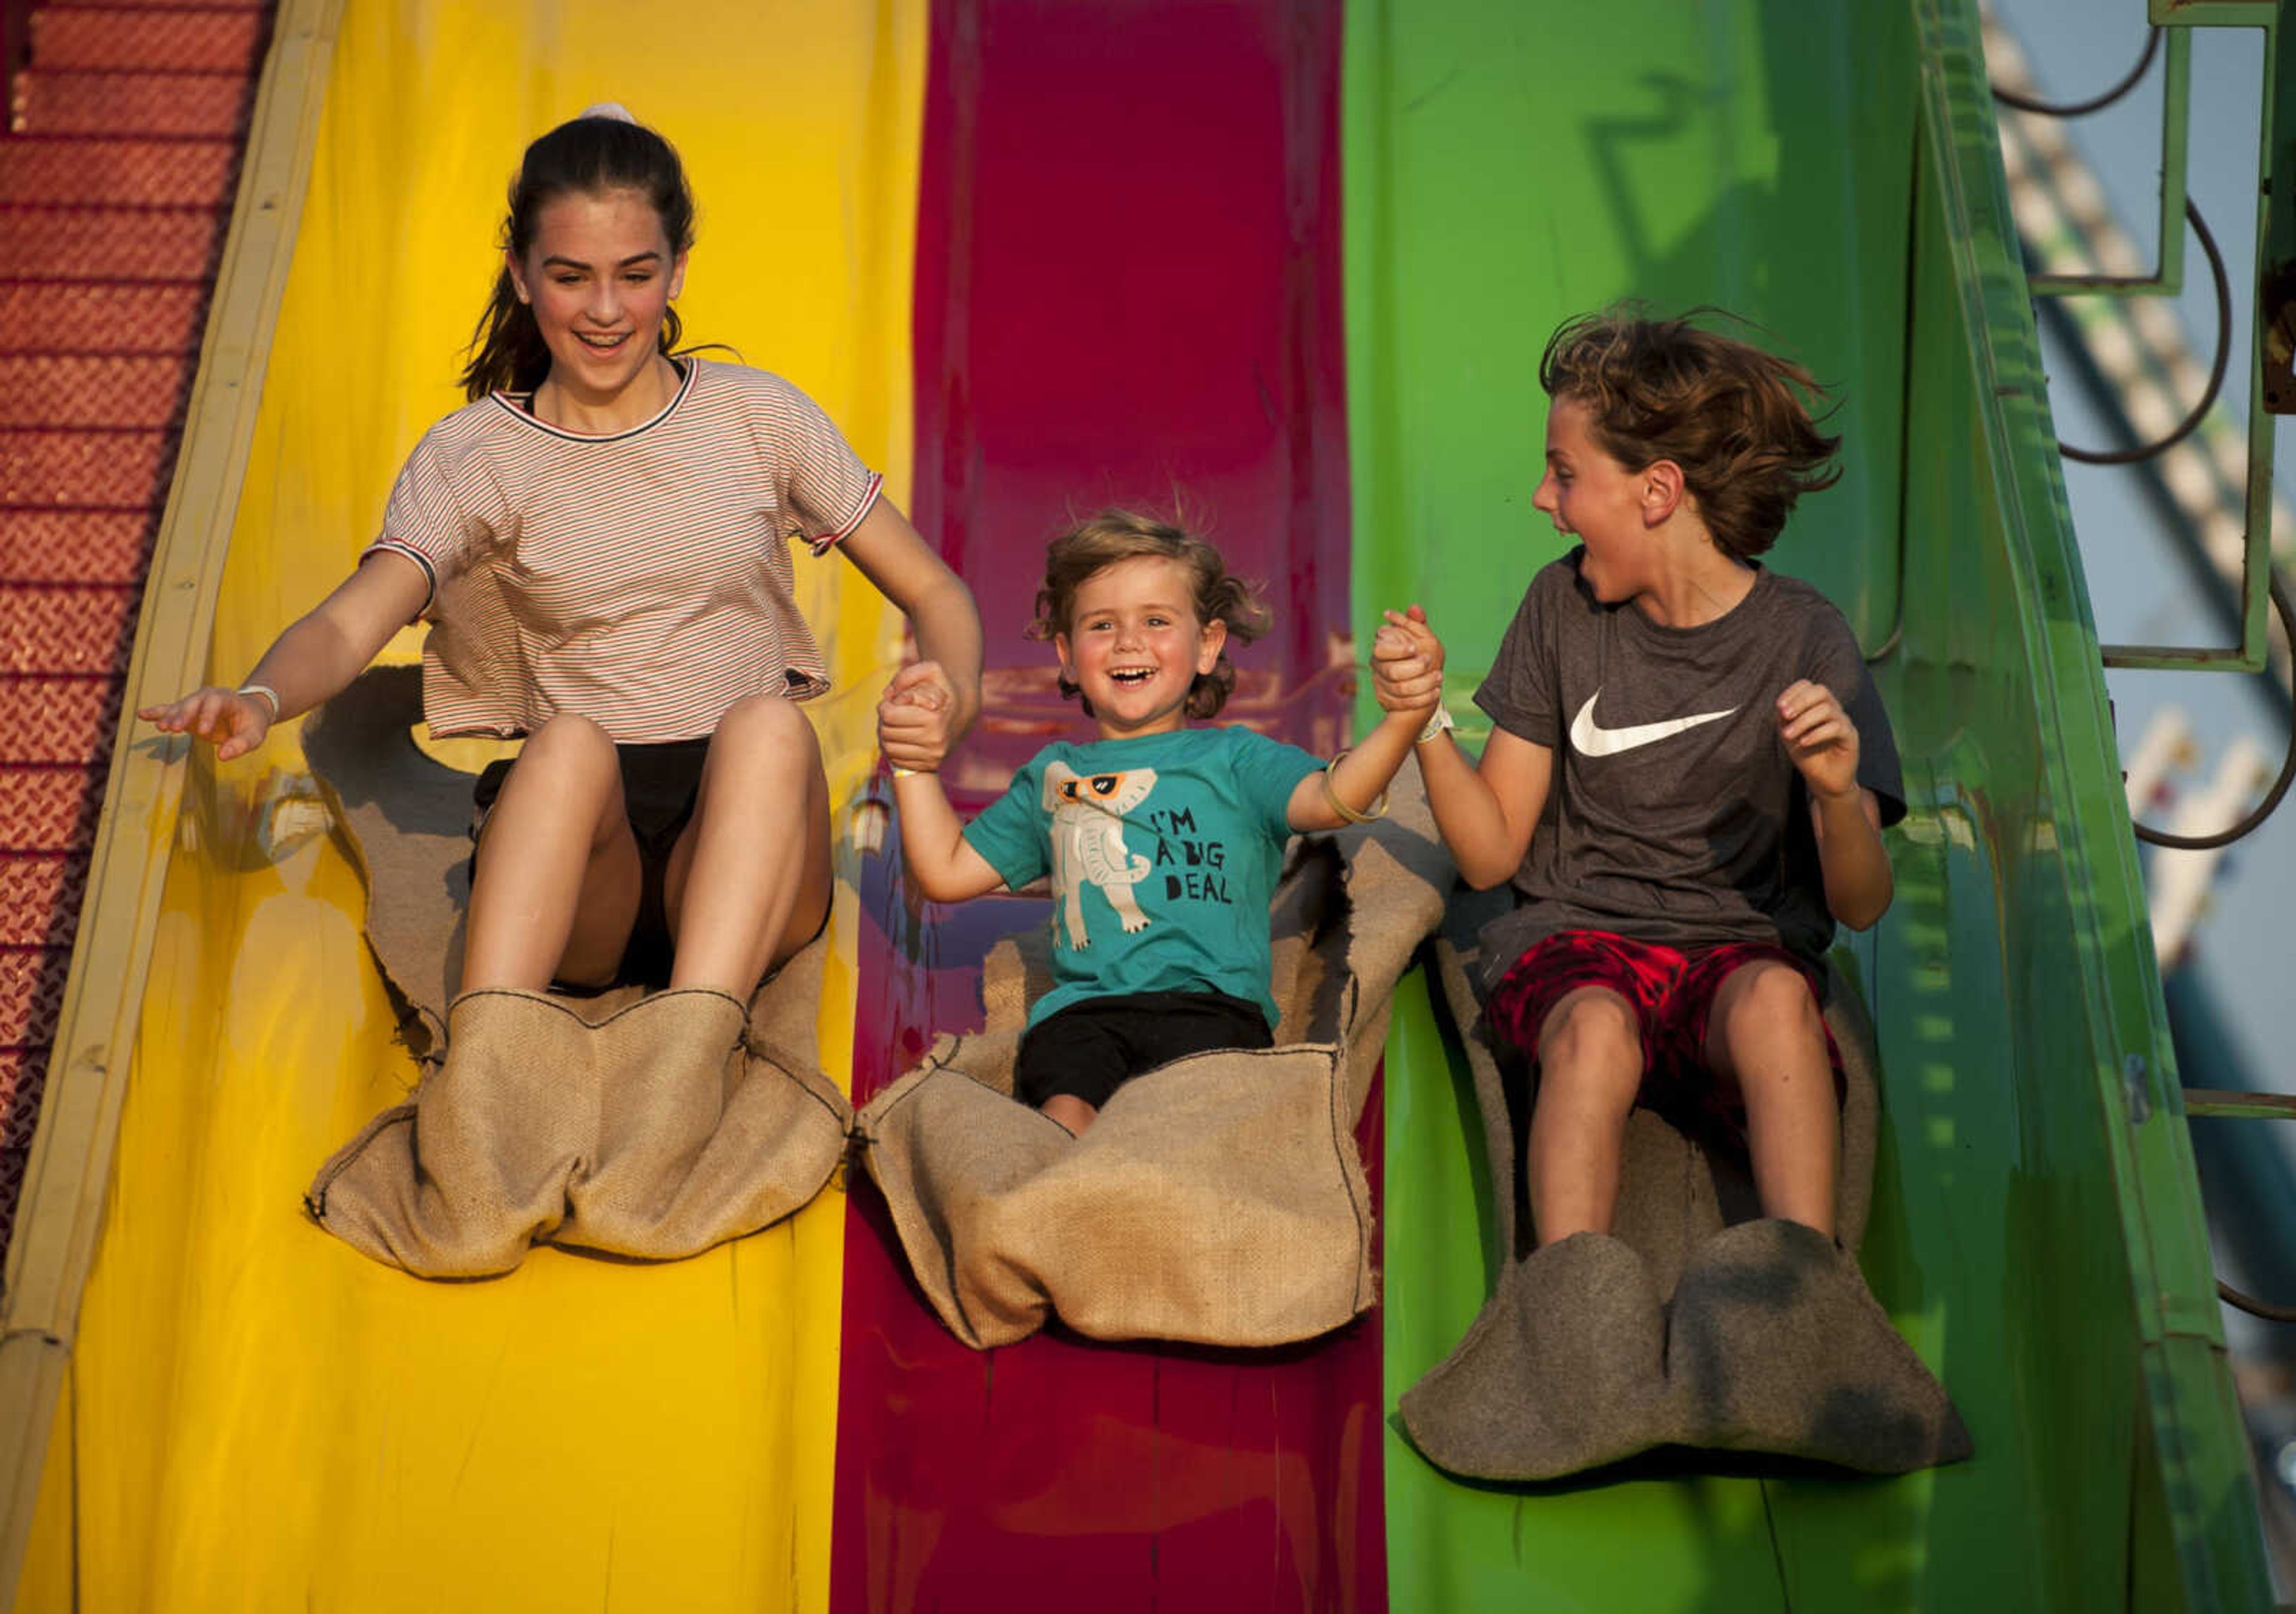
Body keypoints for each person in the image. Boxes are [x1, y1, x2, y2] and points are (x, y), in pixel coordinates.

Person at [141, 107, 980, 1001]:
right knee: (571, 746)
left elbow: (933, 589)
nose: (608, 310)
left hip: (753, 849)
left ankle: (688, 1046)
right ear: (523, 275)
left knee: (770, 728)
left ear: (678, 268)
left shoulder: (758, 418)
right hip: (585, 864)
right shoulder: (476, 457)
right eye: (572, 277)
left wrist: (955, 697)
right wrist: (261, 696)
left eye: (637, 274)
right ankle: (493, 1060)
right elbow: (352, 623)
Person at [1372, 307, 1903, 1243]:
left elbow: (1859, 904)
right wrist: (1424, 723)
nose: (1543, 497)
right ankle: (1569, 1300)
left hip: (1738, 955)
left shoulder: (1807, 638)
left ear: (1658, 492)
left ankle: (1808, 1294)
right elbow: (1492, 854)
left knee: (1781, 1003)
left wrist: (1832, 792)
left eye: (1566, 474)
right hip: (1578, 944)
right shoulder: (1559, 608)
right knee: (1593, 1032)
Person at [879, 510, 1434, 1135]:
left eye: (1156, 621)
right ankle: (1061, 1211)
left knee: (1190, 1132)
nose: (1127, 642)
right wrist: (913, 766)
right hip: (1085, 1015)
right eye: (1101, 625)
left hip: (1213, 1011)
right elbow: (947, 872)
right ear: (1066, 656)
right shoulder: (1054, 776)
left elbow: (1333, 798)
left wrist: (1403, 720)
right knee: (1063, 1115)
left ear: (1207, 645)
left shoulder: (1235, 760)